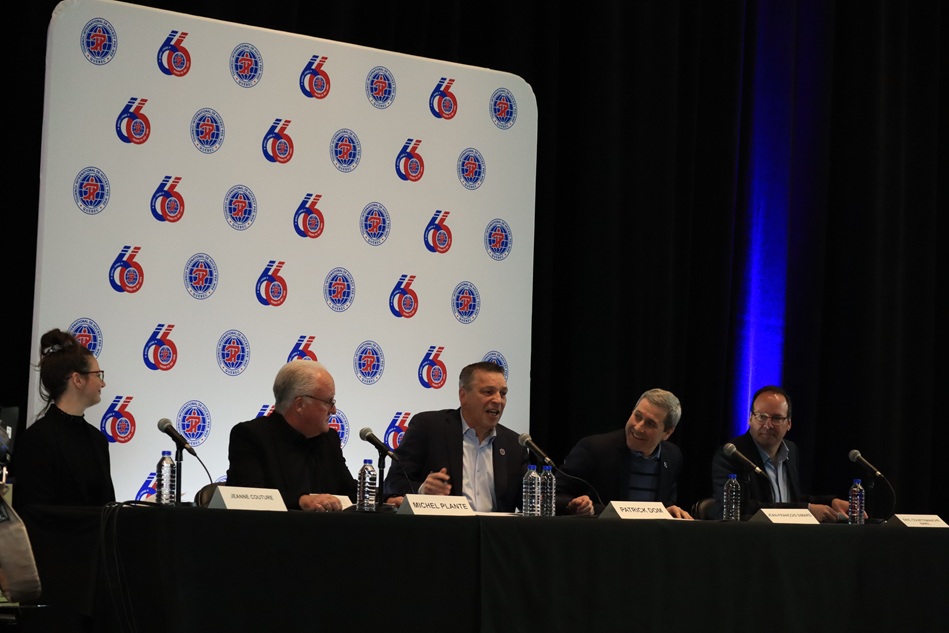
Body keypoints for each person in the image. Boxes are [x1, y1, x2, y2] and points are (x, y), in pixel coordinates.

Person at [382, 362, 528, 512]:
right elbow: (393, 482)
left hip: (494, 533)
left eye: (503, 393)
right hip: (444, 531)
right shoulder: (428, 427)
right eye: (488, 392)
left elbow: (529, 501)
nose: (498, 400)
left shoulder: (514, 445)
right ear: (463, 396)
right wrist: (422, 490)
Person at [226, 360, 356, 511]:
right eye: (329, 402)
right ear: (300, 404)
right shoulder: (250, 436)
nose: (333, 410)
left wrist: (386, 499)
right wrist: (301, 500)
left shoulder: (328, 439)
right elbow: (248, 497)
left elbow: (350, 491)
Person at [710, 385, 849, 522]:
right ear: (750, 418)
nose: (768, 424)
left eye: (776, 418)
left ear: (789, 423)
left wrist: (831, 502)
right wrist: (805, 510)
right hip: (750, 539)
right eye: (761, 416)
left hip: (788, 537)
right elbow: (739, 509)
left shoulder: (791, 450)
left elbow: (790, 500)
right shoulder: (732, 454)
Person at [11, 328, 115, 509]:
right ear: (78, 380)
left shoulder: (98, 440)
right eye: (98, 375)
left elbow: (107, 508)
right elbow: (34, 515)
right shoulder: (37, 440)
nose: (103, 383)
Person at [555, 388, 692, 519]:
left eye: (650, 424)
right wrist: (575, 505)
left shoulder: (672, 456)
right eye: (637, 416)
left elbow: (664, 503)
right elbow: (553, 495)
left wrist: (668, 510)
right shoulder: (594, 449)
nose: (638, 427)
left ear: (667, 433)